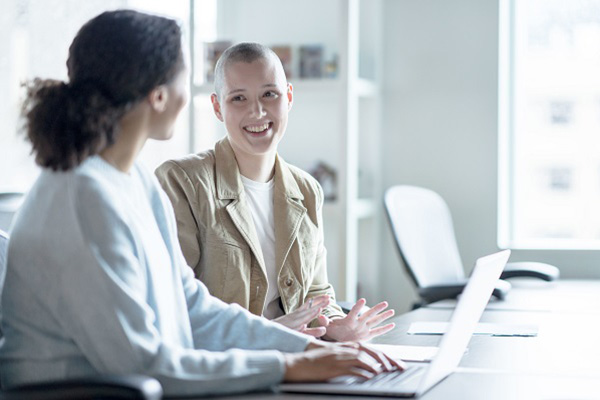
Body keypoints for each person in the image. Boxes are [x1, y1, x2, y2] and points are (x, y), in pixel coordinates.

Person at [0, 10, 403, 397]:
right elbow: (142, 364)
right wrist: (287, 366)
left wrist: (309, 350)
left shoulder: (133, 181)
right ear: (158, 94)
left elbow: (192, 306)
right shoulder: (82, 197)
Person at [155, 42, 395, 341]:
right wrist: (267, 331)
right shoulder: (182, 181)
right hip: (232, 363)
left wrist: (335, 326)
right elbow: (175, 304)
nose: (257, 111)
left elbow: (318, 294)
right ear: (217, 107)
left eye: (270, 94)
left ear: (289, 97)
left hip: (297, 357)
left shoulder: (307, 190)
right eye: (238, 98)